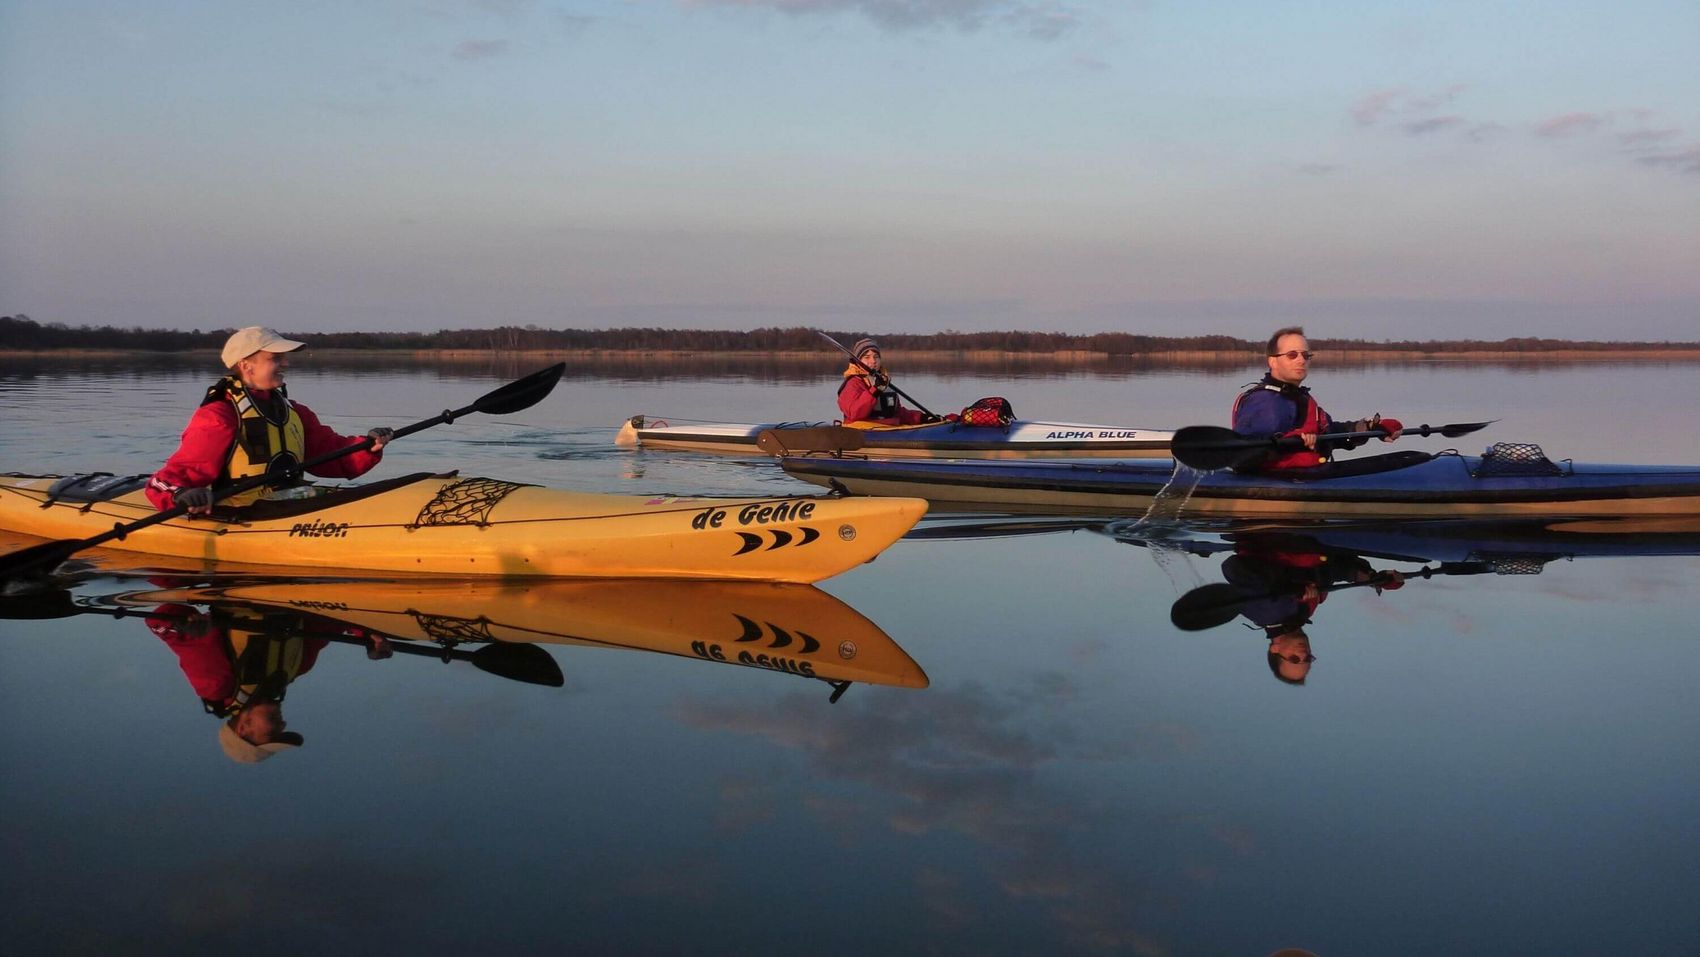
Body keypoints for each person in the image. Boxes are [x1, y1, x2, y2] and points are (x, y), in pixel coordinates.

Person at [146, 326, 393, 514]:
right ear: (246, 365)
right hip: (243, 512)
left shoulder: (294, 411)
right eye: (275, 358)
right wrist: (181, 494)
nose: (285, 362)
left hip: (289, 504)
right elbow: (169, 479)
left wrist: (367, 446)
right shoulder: (220, 415)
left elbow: (329, 455)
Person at [1231, 326, 1403, 470]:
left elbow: (1330, 433)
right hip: (1279, 483)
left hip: (1307, 477)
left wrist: (1371, 427)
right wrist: (1292, 441)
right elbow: (1244, 454)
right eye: (1292, 355)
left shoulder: (1297, 397)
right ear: (1273, 361)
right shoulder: (1265, 402)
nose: (1301, 360)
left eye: (1305, 355)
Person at [836, 338, 940, 426]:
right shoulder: (852, 384)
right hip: (865, 433)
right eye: (867, 357)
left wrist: (922, 418)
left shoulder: (883, 382)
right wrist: (874, 391)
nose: (873, 361)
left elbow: (897, 413)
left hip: (890, 430)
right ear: (858, 361)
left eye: (876, 357)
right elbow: (855, 413)